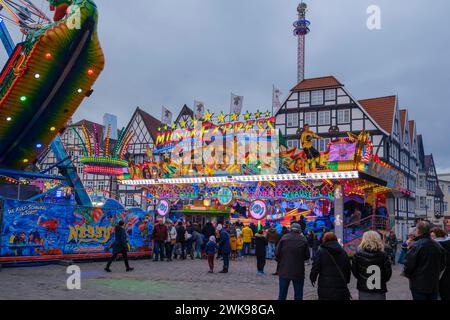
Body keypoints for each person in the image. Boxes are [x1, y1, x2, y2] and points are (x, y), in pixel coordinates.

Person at [403, 221, 446, 300]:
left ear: (418, 231)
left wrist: (410, 276)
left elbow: (408, 265)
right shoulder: (438, 245)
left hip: (418, 285)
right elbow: (442, 265)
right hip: (433, 284)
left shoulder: (415, 246)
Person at [310, 232, 351, 300]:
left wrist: (312, 277)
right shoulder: (343, 251)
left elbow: (315, 266)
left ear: (324, 239)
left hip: (325, 285)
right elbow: (348, 267)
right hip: (340, 284)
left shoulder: (321, 252)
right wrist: (346, 280)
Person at [351, 231, 392, 300]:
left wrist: (362, 279)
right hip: (379, 289)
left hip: (364, 289)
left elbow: (355, 272)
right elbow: (388, 274)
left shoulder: (358, 254)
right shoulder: (383, 255)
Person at [275, 223, 310, 300]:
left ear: (290, 229)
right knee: (298, 295)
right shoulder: (303, 239)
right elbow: (307, 256)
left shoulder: (284, 238)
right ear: (299, 230)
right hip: (298, 271)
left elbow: (277, 253)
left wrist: (281, 261)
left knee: (282, 295)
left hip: (284, 269)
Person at [431, 227, 450, 300]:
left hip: (441, 274)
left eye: (433, 236)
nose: (431, 238)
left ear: (438, 236)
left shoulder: (437, 246)